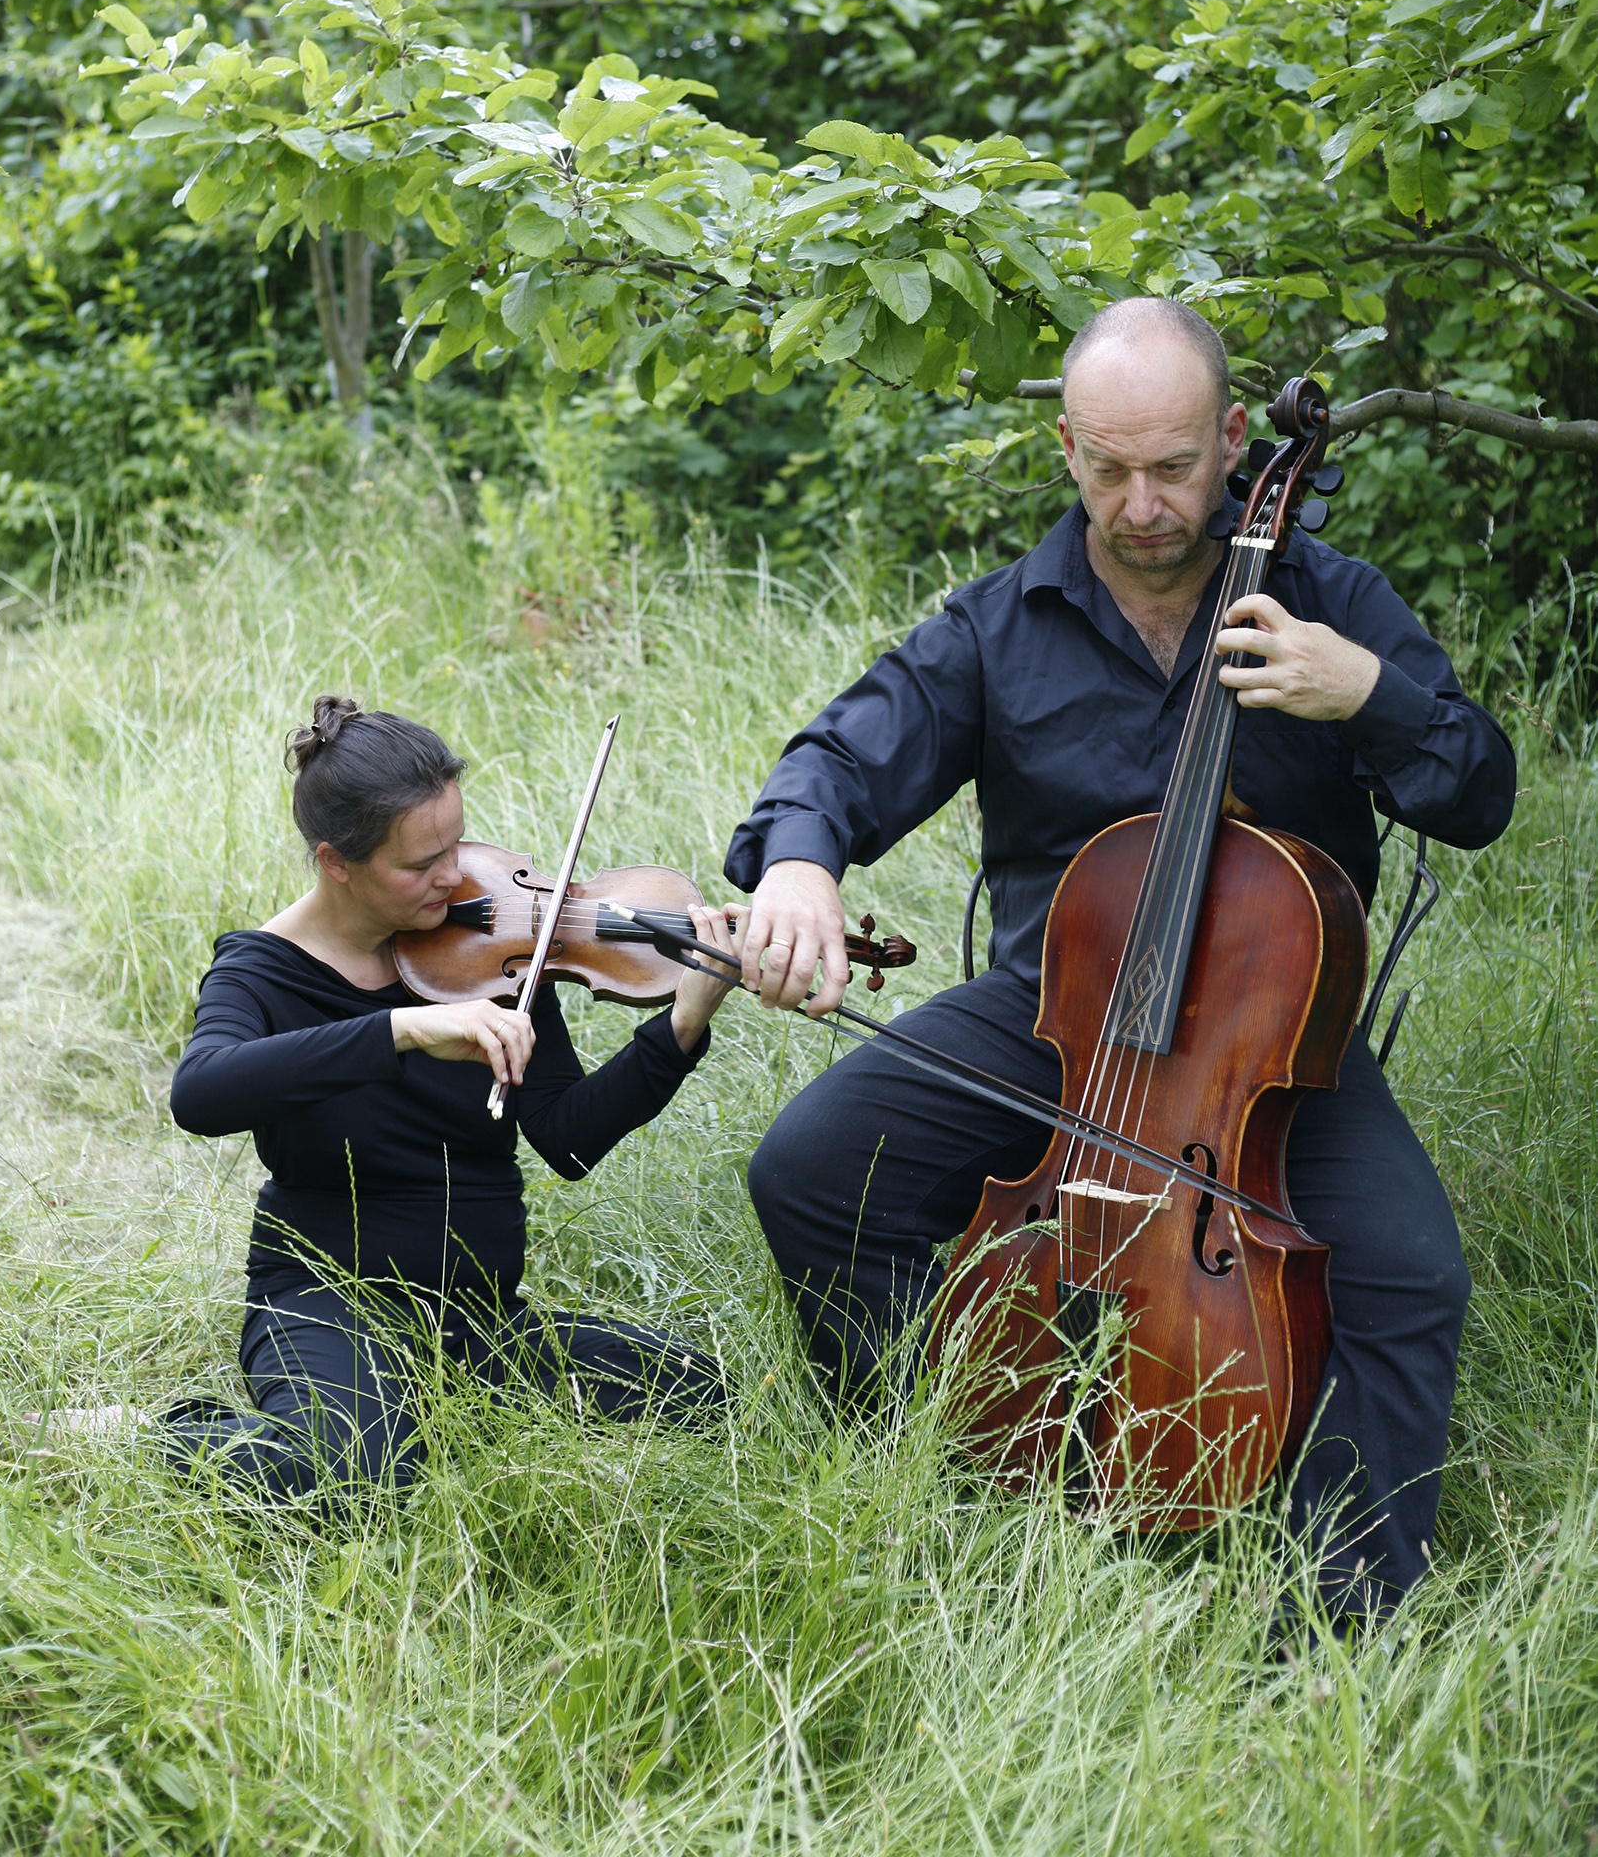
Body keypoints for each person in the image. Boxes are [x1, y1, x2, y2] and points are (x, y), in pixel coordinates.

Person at [725, 297, 1516, 1619]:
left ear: (1233, 439)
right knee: (809, 1171)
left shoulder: (1330, 604)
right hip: (1052, 1016)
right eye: (1108, 469)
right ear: (1066, 449)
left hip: (1271, 1045)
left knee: (1408, 1272)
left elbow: (1478, 795)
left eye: (1172, 466)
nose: (1141, 505)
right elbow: (838, 756)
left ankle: (1334, 1613)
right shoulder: (999, 625)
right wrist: (800, 862)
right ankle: (956, 1474)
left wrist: (1367, 695)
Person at [150, 694, 746, 1502]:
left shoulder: (489, 949)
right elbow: (201, 1094)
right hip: (329, 1299)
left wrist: (681, 1026)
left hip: (475, 1319)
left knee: (710, 1397)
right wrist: (402, 1029)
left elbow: (566, 1137)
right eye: (419, 864)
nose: (453, 876)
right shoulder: (262, 971)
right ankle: (154, 1431)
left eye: (456, 844)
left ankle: (424, 1402)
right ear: (336, 862)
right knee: (356, 1478)